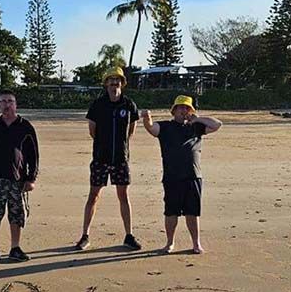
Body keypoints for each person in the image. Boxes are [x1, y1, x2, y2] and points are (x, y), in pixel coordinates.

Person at [142, 95, 222, 255]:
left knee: (192, 212)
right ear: (174, 110)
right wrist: (147, 118)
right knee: (171, 212)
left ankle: (196, 243)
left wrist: (197, 119)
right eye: (180, 108)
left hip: (193, 176)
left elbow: (217, 124)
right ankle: (170, 243)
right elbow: (151, 128)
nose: (183, 111)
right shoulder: (166, 127)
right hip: (172, 176)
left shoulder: (197, 127)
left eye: (186, 108)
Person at [75, 67, 141, 252]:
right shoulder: (98, 104)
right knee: (93, 196)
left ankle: (128, 235)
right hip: (100, 159)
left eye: (117, 80)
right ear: (106, 84)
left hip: (121, 158)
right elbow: (92, 131)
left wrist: (121, 147)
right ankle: (85, 235)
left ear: (122, 83)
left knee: (123, 196)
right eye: (111, 81)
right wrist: (103, 146)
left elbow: (131, 131)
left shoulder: (129, 105)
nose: (114, 84)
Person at [0, 91, 39, 264]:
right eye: (3, 102)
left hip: (18, 179)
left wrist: (31, 178)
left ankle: (15, 247)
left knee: (16, 214)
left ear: (16, 104)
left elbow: (34, 155)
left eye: (10, 101)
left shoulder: (25, 126)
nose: (7, 105)